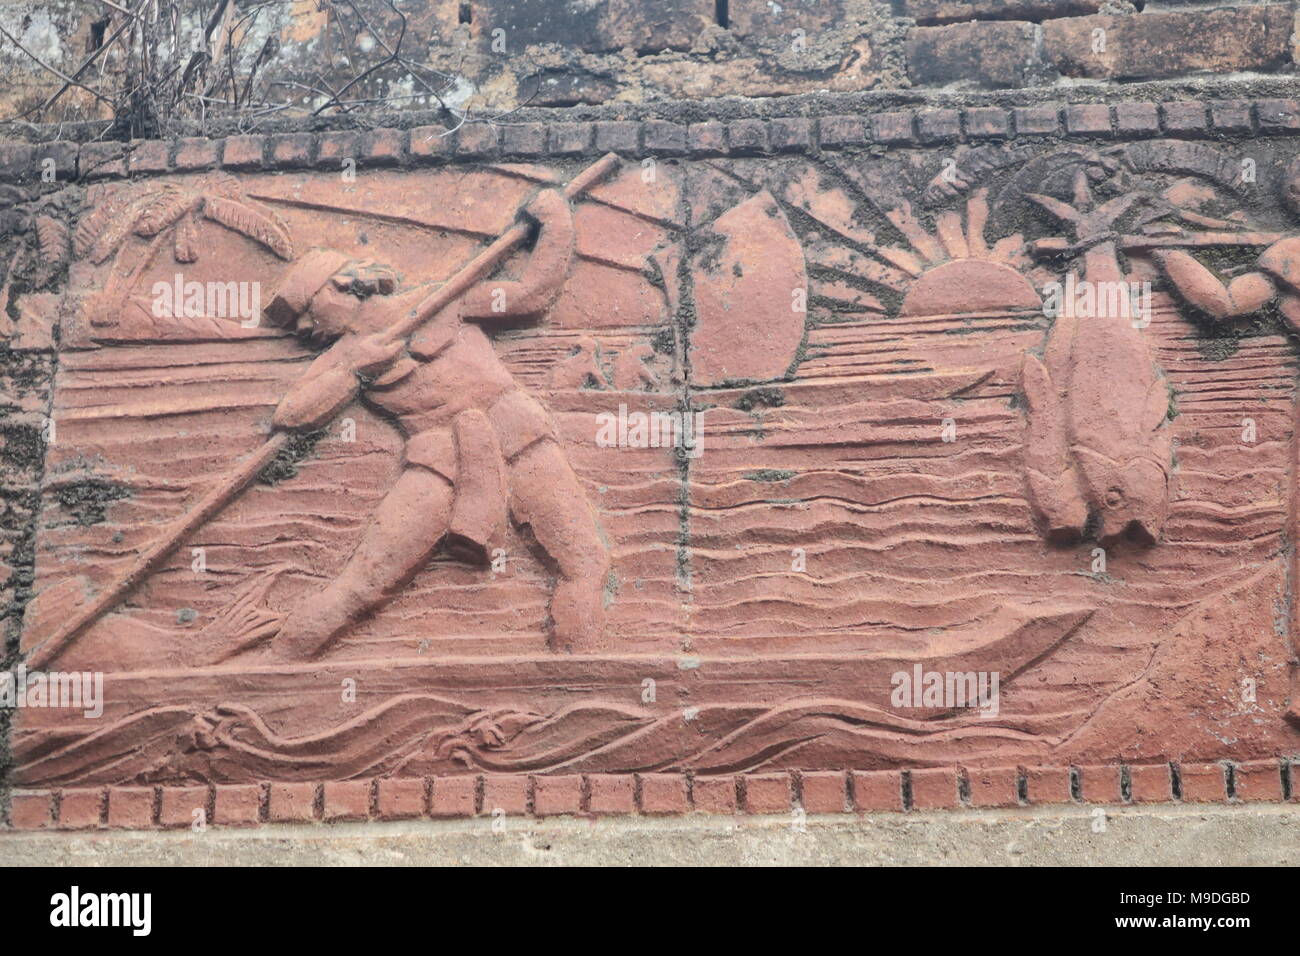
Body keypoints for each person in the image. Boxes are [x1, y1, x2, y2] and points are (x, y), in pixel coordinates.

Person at [241, 187, 610, 661]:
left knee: (584, 562)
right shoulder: (346, 356)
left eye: (307, 309)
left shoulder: (444, 302)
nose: (303, 327)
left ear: (342, 286)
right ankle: (275, 667)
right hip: (438, 463)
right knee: (363, 586)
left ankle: (576, 671)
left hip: (517, 438)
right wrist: (356, 372)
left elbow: (533, 297)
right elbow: (291, 416)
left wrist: (556, 222)